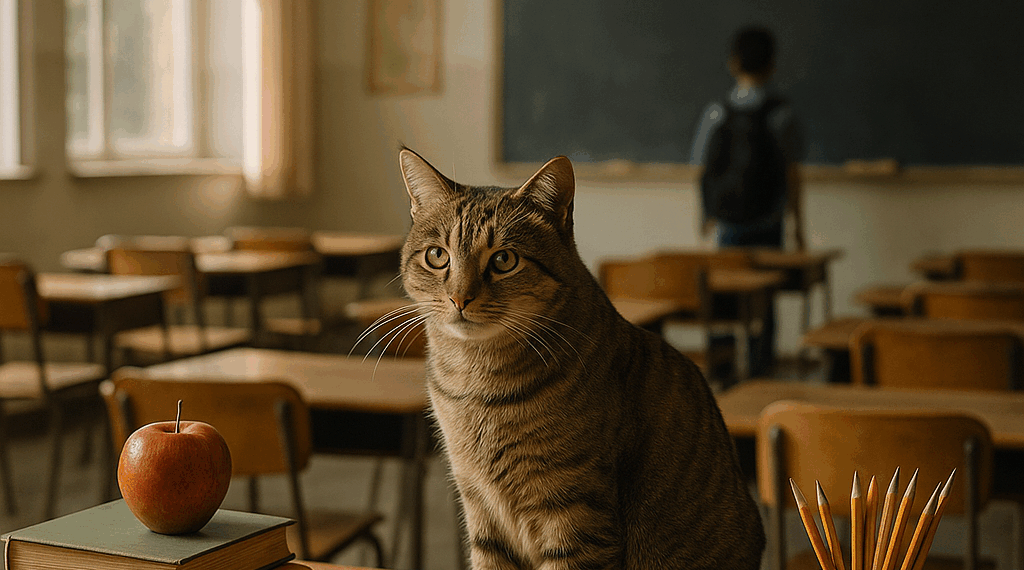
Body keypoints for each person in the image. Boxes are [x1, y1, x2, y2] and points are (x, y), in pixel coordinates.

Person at [690, 25, 806, 380]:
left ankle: (723, 373)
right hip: (768, 221)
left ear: (733, 63)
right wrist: (797, 225)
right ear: (772, 65)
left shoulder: (716, 112)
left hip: (728, 223)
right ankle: (761, 372)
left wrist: (705, 215)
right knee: (763, 299)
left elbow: (700, 170)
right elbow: (792, 174)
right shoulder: (781, 114)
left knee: (725, 299)